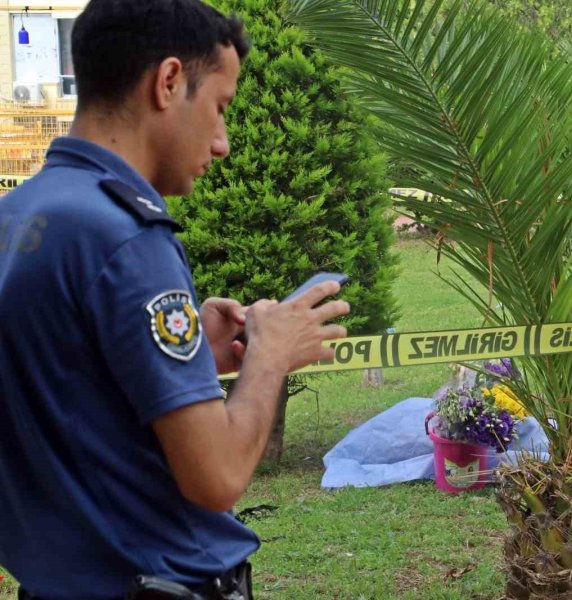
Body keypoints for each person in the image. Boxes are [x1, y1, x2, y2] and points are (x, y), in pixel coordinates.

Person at [0, 1, 350, 598]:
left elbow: (62, 390)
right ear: (167, 83)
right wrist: (270, 354)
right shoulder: (126, 236)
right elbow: (217, 477)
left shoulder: (19, 216)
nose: (223, 143)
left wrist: (191, 363)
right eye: (219, 107)